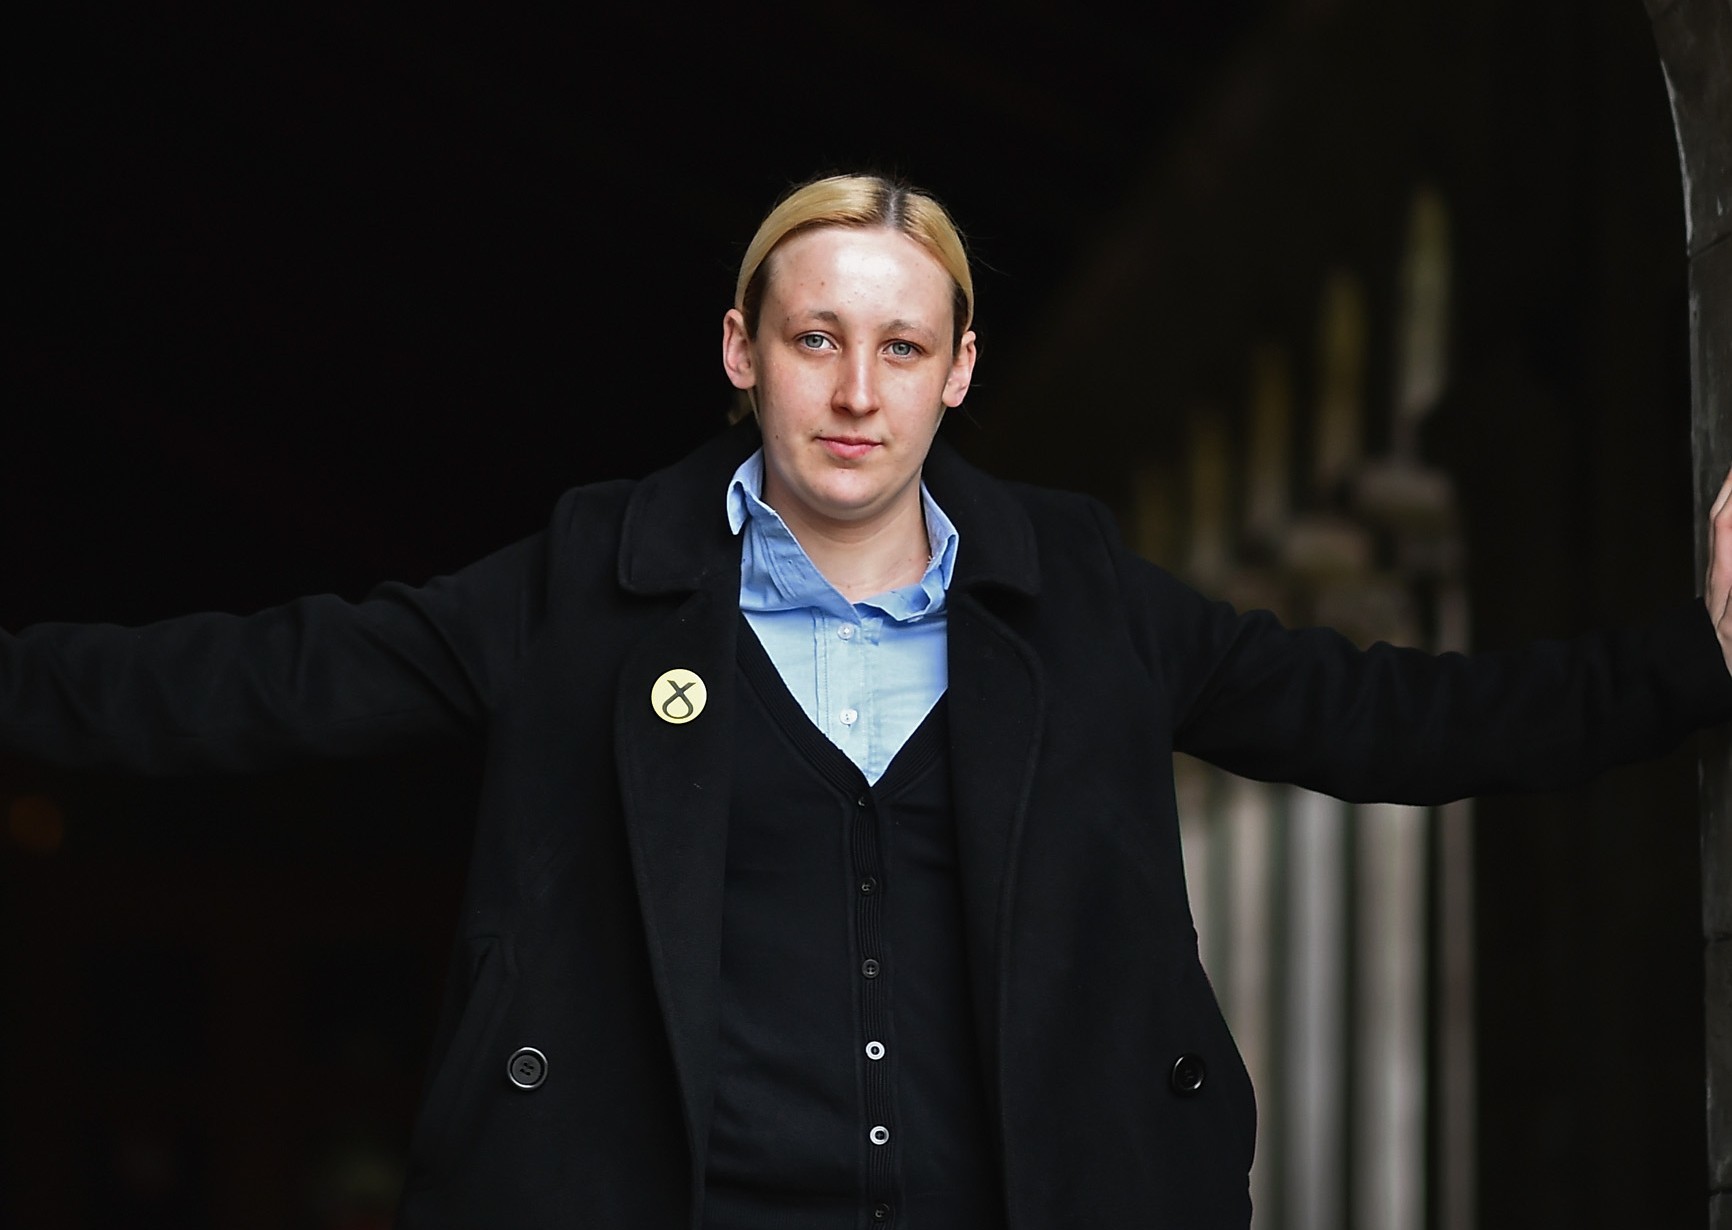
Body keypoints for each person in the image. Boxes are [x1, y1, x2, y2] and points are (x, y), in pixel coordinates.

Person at [5, 172, 1732, 1229]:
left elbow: (1382, 718)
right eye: (815, 336)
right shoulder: (585, 589)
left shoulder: (1085, 601)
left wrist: (1697, 658)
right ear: (743, 349)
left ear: (959, 371)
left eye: (901, 346)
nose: (855, 389)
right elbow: (252, 680)